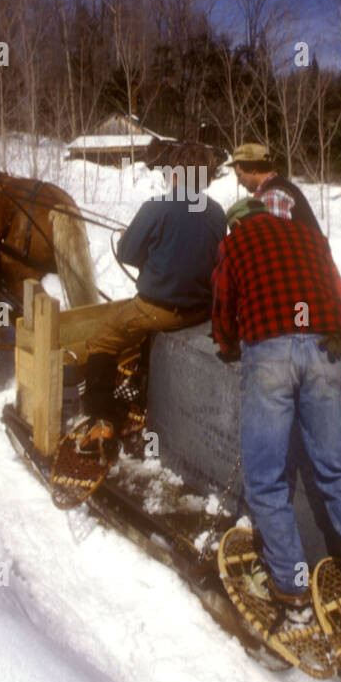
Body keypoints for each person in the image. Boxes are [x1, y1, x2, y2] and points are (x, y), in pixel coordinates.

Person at [210, 196, 341, 653]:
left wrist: (226, 343)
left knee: (265, 479)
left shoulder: (234, 245)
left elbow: (223, 308)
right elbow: (340, 298)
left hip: (270, 355)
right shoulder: (309, 235)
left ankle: (291, 589)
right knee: (337, 473)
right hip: (325, 352)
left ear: (237, 224)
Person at [77, 146, 227, 453]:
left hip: (160, 310)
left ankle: (100, 422)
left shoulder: (156, 207)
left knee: (102, 342)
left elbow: (127, 253)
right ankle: (143, 390)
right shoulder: (216, 212)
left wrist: (128, 240)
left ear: (175, 174)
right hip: (200, 311)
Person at [227, 142, 321, 231]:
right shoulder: (280, 187)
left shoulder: (272, 196)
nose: (238, 182)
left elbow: (276, 243)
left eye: (239, 175)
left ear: (253, 170)